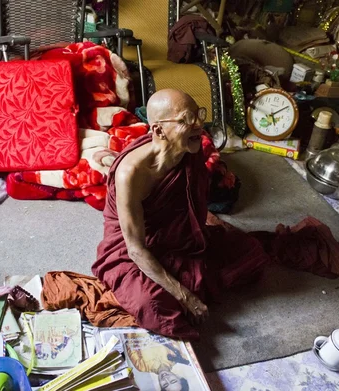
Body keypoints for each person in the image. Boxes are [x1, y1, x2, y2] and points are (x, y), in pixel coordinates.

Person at [92, 89, 269, 339]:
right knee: (153, 307)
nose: (198, 124)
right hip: (131, 248)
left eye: (198, 115)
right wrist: (184, 296)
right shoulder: (131, 173)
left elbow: (190, 198)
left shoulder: (189, 149)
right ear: (158, 130)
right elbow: (135, 249)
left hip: (177, 237)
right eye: (186, 119)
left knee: (253, 254)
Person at [124, 333, 191, 391]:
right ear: (178, 377)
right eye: (173, 381)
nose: (166, 379)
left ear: (160, 385)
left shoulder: (142, 366)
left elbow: (129, 342)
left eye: (165, 385)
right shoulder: (176, 355)